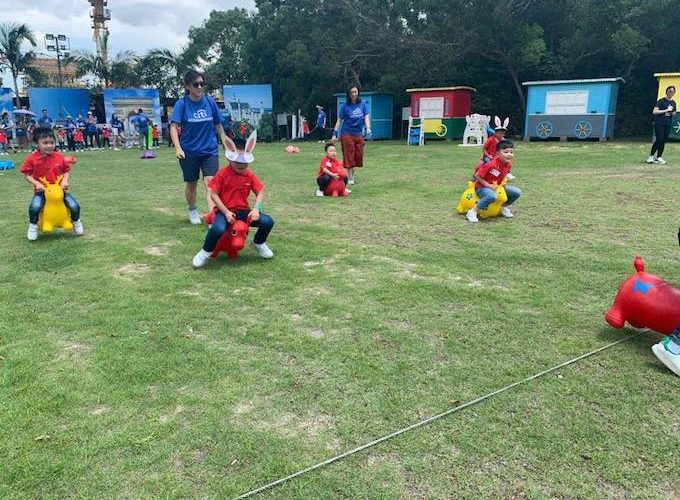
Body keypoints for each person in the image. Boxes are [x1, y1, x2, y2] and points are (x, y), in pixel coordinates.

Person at [192, 131, 274, 268]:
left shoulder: (249, 175)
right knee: (217, 229)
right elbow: (213, 194)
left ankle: (258, 243)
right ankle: (205, 251)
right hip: (224, 211)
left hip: (243, 212)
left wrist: (256, 209)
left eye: (245, 163)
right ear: (230, 158)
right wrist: (226, 212)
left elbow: (259, 192)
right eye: (238, 162)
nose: (242, 166)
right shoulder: (222, 174)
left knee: (267, 222)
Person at [170, 70, 231, 225]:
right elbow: (173, 127)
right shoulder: (181, 104)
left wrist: (225, 144)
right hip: (189, 151)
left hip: (209, 150)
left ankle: (212, 216)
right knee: (191, 183)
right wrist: (178, 148)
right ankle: (192, 210)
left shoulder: (210, 102)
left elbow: (218, 125)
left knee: (211, 182)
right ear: (187, 86)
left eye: (201, 84)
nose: (199, 87)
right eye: (195, 84)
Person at [20, 127, 83, 240]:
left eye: (52, 142)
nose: (49, 145)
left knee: (74, 206)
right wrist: (37, 184)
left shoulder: (59, 157)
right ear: (36, 143)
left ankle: (76, 221)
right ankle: (33, 226)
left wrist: (64, 181)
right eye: (45, 143)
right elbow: (27, 174)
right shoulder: (32, 159)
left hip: (60, 191)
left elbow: (66, 170)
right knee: (34, 207)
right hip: (41, 192)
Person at [465, 139, 521, 223]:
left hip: (497, 187)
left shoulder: (508, 164)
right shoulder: (491, 164)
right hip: (481, 187)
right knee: (492, 196)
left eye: (511, 152)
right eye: (506, 152)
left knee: (516, 192)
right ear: (498, 154)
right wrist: (487, 185)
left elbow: (502, 176)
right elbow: (477, 176)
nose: (509, 155)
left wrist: (503, 184)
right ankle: (473, 211)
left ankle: (503, 207)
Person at [331, 84, 371, 186]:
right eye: (351, 92)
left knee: (358, 155)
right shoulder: (344, 106)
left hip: (358, 134)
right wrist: (335, 134)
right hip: (347, 133)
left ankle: (352, 174)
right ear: (348, 94)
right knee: (349, 156)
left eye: (355, 92)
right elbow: (339, 121)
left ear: (358, 92)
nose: (354, 94)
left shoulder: (363, 104)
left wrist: (368, 128)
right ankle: (350, 177)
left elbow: (366, 117)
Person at [647, 85, 676, 165]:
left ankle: (659, 157)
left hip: (668, 123)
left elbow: (674, 112)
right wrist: (665, 110)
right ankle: (651, 156)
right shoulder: (661, 101)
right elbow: (655, 111)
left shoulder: (673, 102)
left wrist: (671, 112)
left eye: (673, 91)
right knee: (659, 139)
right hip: (659, 123)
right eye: (669, 91)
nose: (671, 93)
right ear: (666, 92)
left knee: (663, 140)